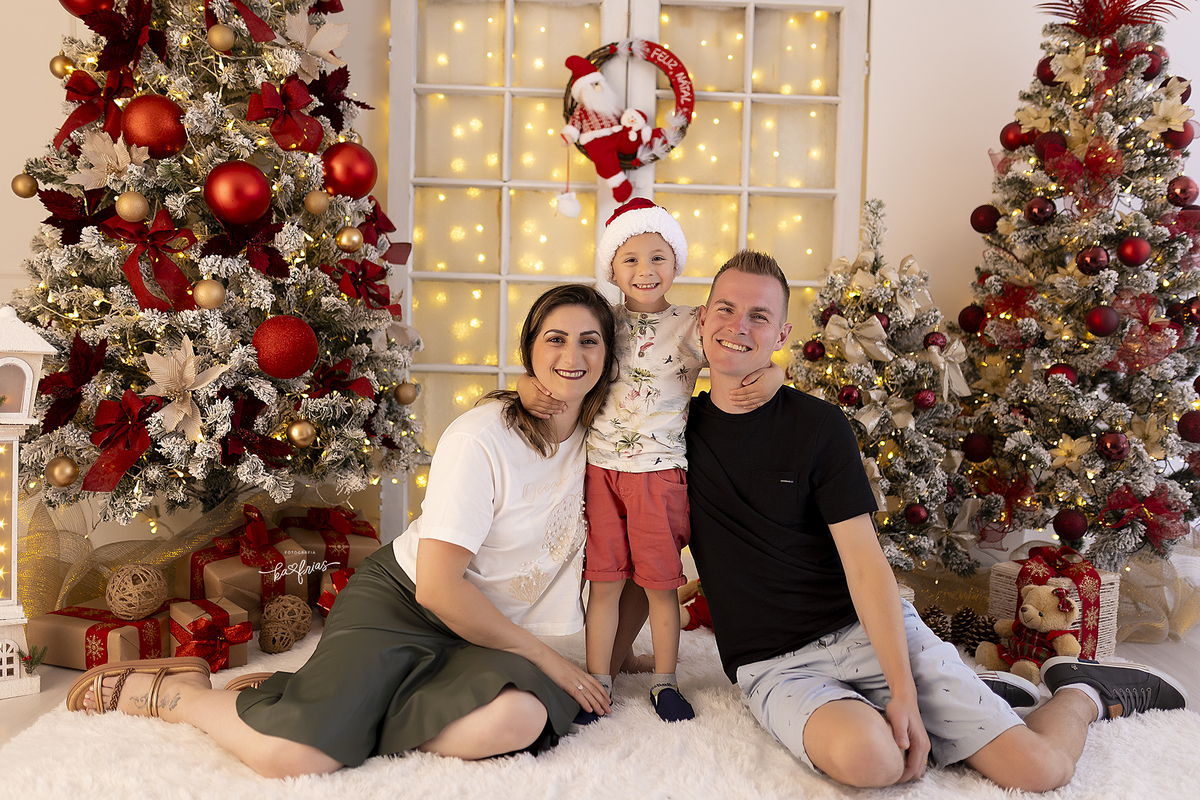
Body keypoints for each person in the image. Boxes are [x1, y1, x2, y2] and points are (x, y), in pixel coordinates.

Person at [66, 284, 623, 777]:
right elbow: (438, 589)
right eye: (555, 339)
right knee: (294, 757)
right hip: (407, 604)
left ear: (609, 355)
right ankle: (181, 694)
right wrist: (545, 656)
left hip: (480, 633)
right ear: (529, 350)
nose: (572, 356)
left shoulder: (610, 439)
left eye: (590, 341)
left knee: (518, 719)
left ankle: (341, 710)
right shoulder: (481, 438)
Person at [684, 250, 1189, 790]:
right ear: (700, 319)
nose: (739, 326)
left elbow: (866, 565)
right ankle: (982, 697)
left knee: (1042, 771)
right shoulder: (666, 433)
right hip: (776, 664)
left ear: (782, 333)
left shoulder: (817, 426)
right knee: (875, 762)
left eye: (759, 316)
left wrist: (904, 691)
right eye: (725, 309)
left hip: (863, 631)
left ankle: (1082, 692)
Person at [519, 200, 784, 723]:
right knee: (604, 583)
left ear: (676, 263)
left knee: (660, 586)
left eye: (658, 257)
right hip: (601, 472)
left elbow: (739, 350)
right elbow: (556, 360)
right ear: (611, 269)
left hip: (659, 475)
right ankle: (599, 681)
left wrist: (774, 373)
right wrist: (528, 383)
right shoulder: (603, 322)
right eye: (631, 259)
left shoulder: (692, 324)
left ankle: (665, 681)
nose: (646, 270)